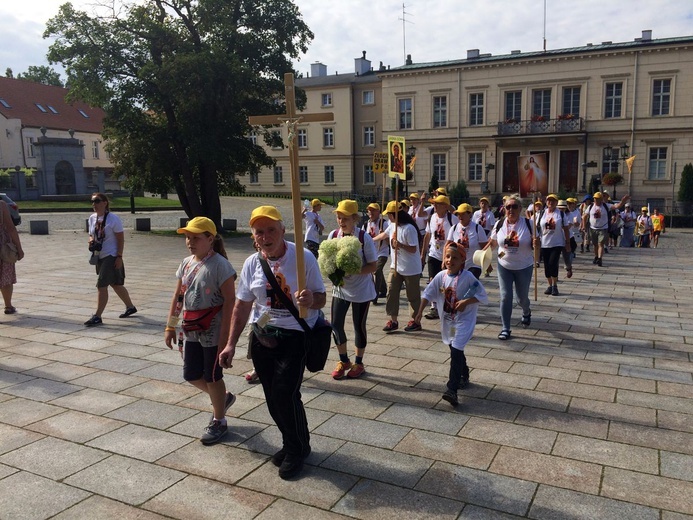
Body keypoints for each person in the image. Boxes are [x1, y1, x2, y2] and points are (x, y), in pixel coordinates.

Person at [219, 206, 326, 480]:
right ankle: (294, 442)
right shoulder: (252, 263)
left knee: (284, 393)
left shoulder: (303, 257)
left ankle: (297, 448)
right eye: (259, 232)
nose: (266, 237)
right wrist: (230, 344)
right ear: (254, 236)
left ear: (282, 231)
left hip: (295, 335)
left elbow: (323, 297)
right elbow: (242, 306)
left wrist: (311, 300)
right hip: (263, 335)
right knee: (271, 395)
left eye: (271, 230)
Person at [164, 217, 237, 445]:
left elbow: (230, 303)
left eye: (196, 237)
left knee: (213, 375)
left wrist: (226, 339)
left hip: (214, 332)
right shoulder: (186, 263)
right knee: (191, 374)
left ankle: (219, 420)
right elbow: (179, 296)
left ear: (210, 239)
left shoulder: (221, 266)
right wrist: (170, 325)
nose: (189, 242)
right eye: (187, 237)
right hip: (191, 329)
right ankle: (222, 399)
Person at [413, 243, 488, 406]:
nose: (450, 260)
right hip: (449, 321)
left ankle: (451, 390)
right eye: (447, 256)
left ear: (462, 260)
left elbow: (482, 295)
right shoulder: (441, 276)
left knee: (456, 350)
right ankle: (464, 373)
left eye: (454, 257)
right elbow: (428, 293)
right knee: (455, 350)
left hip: (464, 321)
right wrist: (419, 312)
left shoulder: (468, 277)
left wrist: (467, 302)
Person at [327, 200, 377, 380]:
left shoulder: (364, 238)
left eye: (345, 218)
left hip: (361, 290)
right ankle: (343, 360)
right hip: (340, 288)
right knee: (335, 324)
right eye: (339, 218)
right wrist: (332, 273)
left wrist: (355, 270)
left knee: (358, 326)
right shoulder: (333, 236)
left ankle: (359, 362)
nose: (341, 221)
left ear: (354, 218)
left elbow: (373, 266)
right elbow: (328, 262)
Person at [485, 194, 534, 340]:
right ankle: (505, 328)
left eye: (514, 206)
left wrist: (537, 245)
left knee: (522, 298)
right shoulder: (499, 224)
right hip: (504, 265)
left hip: (524, 266)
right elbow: (493, 243)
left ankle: (526, 311)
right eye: (508, 207)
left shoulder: (529, 224)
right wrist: (482, 254)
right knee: (505, 296)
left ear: (520, 208)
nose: (510, 209)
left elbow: (536, 246)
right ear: (504, 209)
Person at [84, 193, 137, 326]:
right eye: (92, 201)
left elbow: (120, 239)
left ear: (105, 203)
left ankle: (97, 316)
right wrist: (91, 241)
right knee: (116, 284)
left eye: (97, 201)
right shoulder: (92, 218)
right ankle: (130, 307)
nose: (94, 204)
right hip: (99, 255)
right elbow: (91, 234)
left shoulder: (113, 219)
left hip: (111, 255)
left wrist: (119, 256)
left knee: (101, 285)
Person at [373, 201, 422, 333]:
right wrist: (370, 239)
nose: (388, 217)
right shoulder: (392, 225)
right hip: (396, 266)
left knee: (413, 296)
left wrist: (399, 244)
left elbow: (413, 249)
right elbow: (384, 235)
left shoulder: (409, 229)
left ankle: (415, 320)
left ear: (394, 215)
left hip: (411, 268)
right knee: (391, 292)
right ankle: (393, 320)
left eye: (389, 214)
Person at [421, 194, 458, 319]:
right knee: (433, 280)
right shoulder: (431, 217)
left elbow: (458, 237)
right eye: (434, 204)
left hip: (448, 257)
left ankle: (448, 305)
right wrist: (423, 254)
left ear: (446, 207)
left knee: (447, 282)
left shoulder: (452, 218)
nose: (434, 206)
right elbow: (427, 236)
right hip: (433, 254)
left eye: (437, 204)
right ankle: (434, 307)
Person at [537, 194, 571, 296]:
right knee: (547, 266)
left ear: (556, 203)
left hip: (557, 243)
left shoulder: (560, 214)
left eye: (553, 201)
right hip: (544, 243)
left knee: (553, 263)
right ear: (546, 202)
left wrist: (567, 242)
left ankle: (555, 285)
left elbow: (565, 229)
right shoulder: (542, 213)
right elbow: (537, 227)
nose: (550, 203)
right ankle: (550, 285)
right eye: (549, 201)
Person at [446, 203, 488, 279]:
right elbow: (447, 245)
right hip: (458, 265)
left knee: (469, 284)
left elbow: (485, 247)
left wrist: (487, 263)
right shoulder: (454, 228)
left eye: (463, 214)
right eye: (458, 214)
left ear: (470, 215)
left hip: (474, 265)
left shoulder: (477, 228)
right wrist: (444, 260)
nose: (460, 216)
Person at [0, 199, 24, 314]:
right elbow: (10, 227)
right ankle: (8, 306)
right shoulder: (1, 205)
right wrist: (19, 248)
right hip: (2, 246)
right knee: (5, 276)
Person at [362, 202, 389, 303]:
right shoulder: (366, 225)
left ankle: (375, 295)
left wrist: (383, 235)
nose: (371, 212)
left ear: (378, 212)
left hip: (382, 252)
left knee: (377, 270)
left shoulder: (384, 223)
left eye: (373, 210)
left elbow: (389, 241)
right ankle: (383, 289)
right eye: (369, 210)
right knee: (377, 271)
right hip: (371, 253)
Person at [472, 197, 496, 276]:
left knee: (485, 253)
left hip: (486, 234)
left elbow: (492, 226)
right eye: (482, 203)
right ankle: (485, 267)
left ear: (488, 205)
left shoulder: (490, 214)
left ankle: (486, 268)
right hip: (478, 234)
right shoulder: (476, 214)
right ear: (479, 204)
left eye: (485, 203)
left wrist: (492, 236)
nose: (483, 205)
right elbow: (473, 224)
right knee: (480, 252)